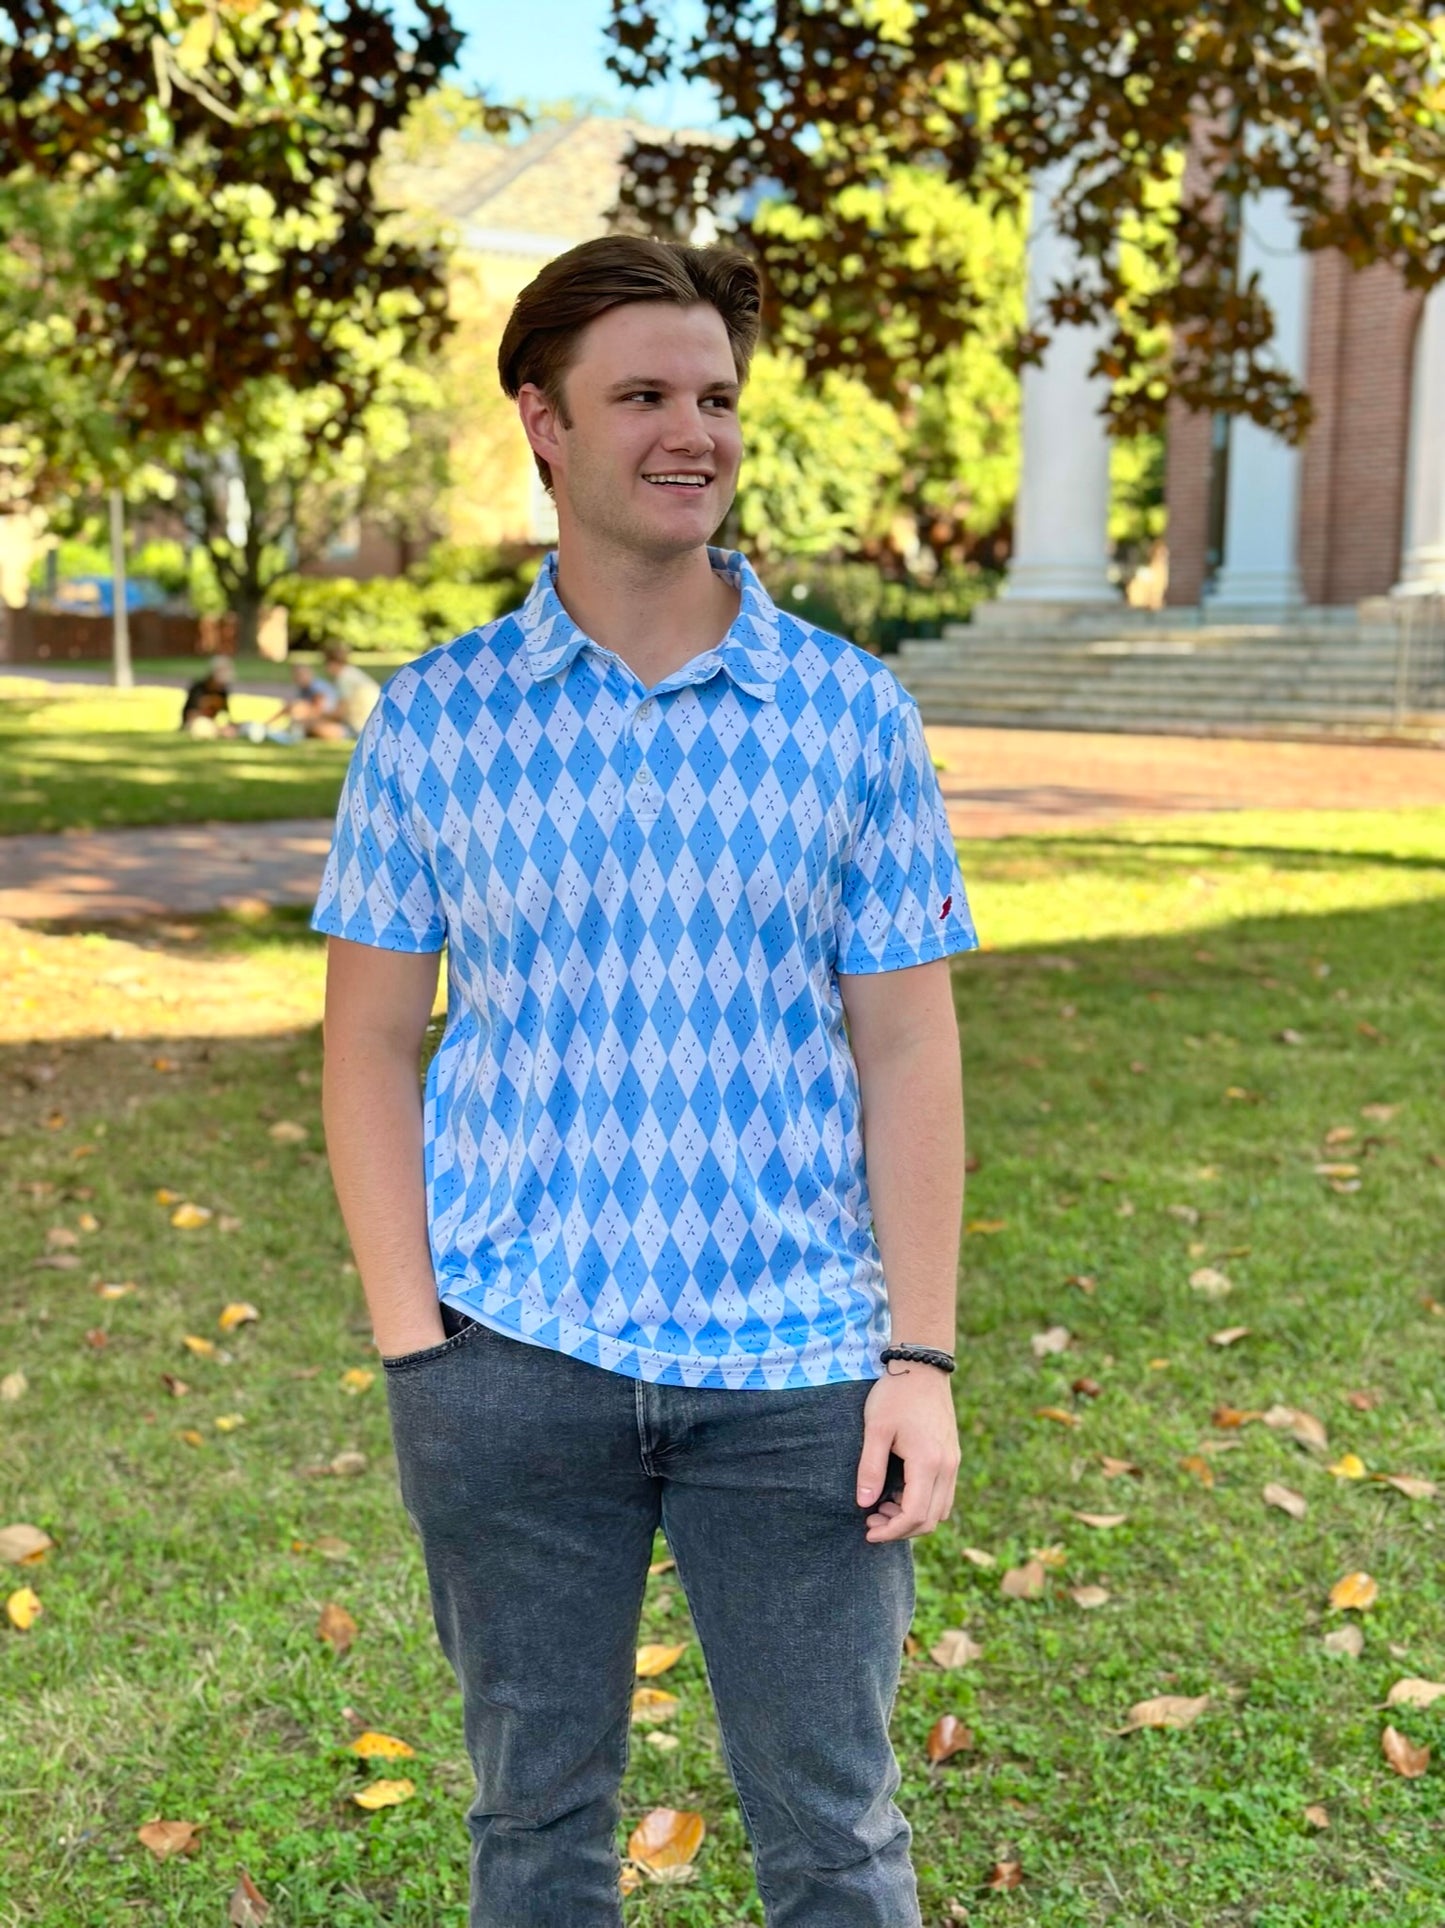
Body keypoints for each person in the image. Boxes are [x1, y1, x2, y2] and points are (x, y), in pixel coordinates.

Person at [313, 236, 978, 1928]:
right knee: (534, 1825)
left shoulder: (849, 715)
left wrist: (918, 1352)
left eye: (716, 397)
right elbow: (370, 1040)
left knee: (835, 1835)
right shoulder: (436, 722)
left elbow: (907, 1045)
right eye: (642, 397)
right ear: (542, 422)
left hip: (803, 1371)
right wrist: (416, 1345)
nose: (693, 431)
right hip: (513, 1357)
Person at [321, 644, 381, 737]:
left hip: (360, 726)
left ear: (331, 664)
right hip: (374, 722)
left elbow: (340, 712)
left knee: (317, 727)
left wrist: (318, 716)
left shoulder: (343, 678)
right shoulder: (352, 672)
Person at [179, 654, 237, 736]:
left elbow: (226, 715)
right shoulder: (198, 689)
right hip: (195, 723)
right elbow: (190, 715)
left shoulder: (222, 692)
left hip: (213, 725)